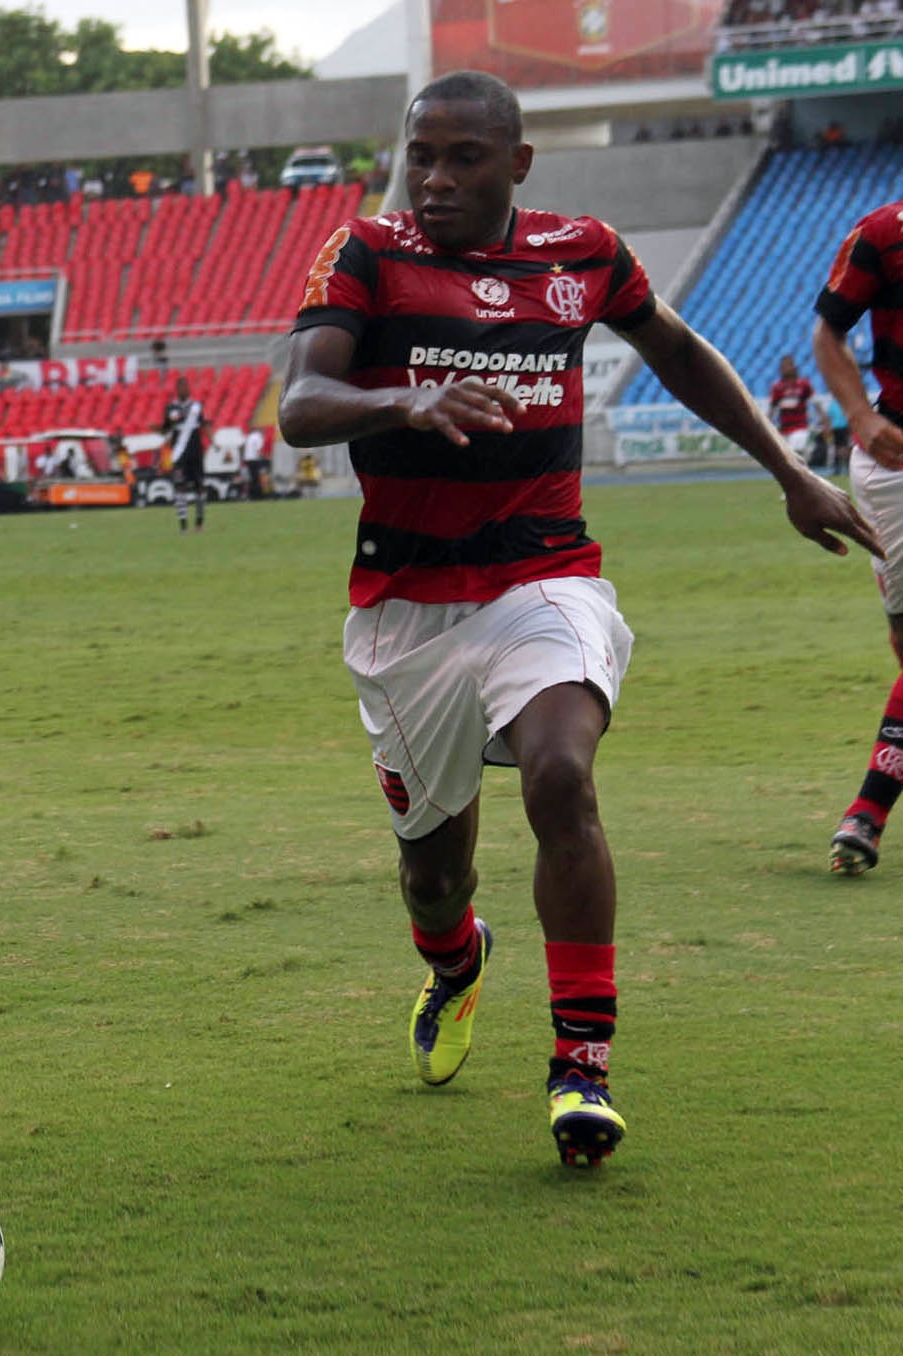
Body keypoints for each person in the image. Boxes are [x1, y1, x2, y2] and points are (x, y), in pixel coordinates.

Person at [279, 70, 878, 1169]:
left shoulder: (583, 254)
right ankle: (457, 961)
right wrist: (403, 398)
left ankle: (581, 1067)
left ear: (518, 164)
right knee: (433, 877)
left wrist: (788, 471)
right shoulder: (364, 251)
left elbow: (678, 352)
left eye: (463, 157)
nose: (434, 179)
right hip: (407, 609)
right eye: (421, 155)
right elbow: (301, 404)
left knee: (561, 775)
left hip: (544, 577)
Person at [815, 197, 903, 876]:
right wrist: (858, 414)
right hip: (895, 463)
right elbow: (830, 333)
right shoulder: (882, 233)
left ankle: (867, 810)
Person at [160, 375, 206, 533]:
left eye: (186, 386)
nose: (184, 390)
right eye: (181, 387)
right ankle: (183, 525)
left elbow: (203, 425)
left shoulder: (196, 406)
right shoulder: (170, 408)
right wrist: (164, 431)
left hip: (195, 453)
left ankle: (199, 523)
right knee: (180, 486)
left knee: (199, 487)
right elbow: (165, 429)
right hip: (179, 454)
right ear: (177, 390)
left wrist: (213, 442)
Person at [767, 353, 822, 467]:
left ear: (793, 367)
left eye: (787, 365)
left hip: (800, 428)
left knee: (795, 456)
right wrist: (766, 423)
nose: (784, 369)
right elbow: (772, 408)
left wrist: (824, 418)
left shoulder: (803, 384)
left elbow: (816, 403)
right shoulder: (777, 387)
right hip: (784, 429)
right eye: (782, 366)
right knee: (786, 460)